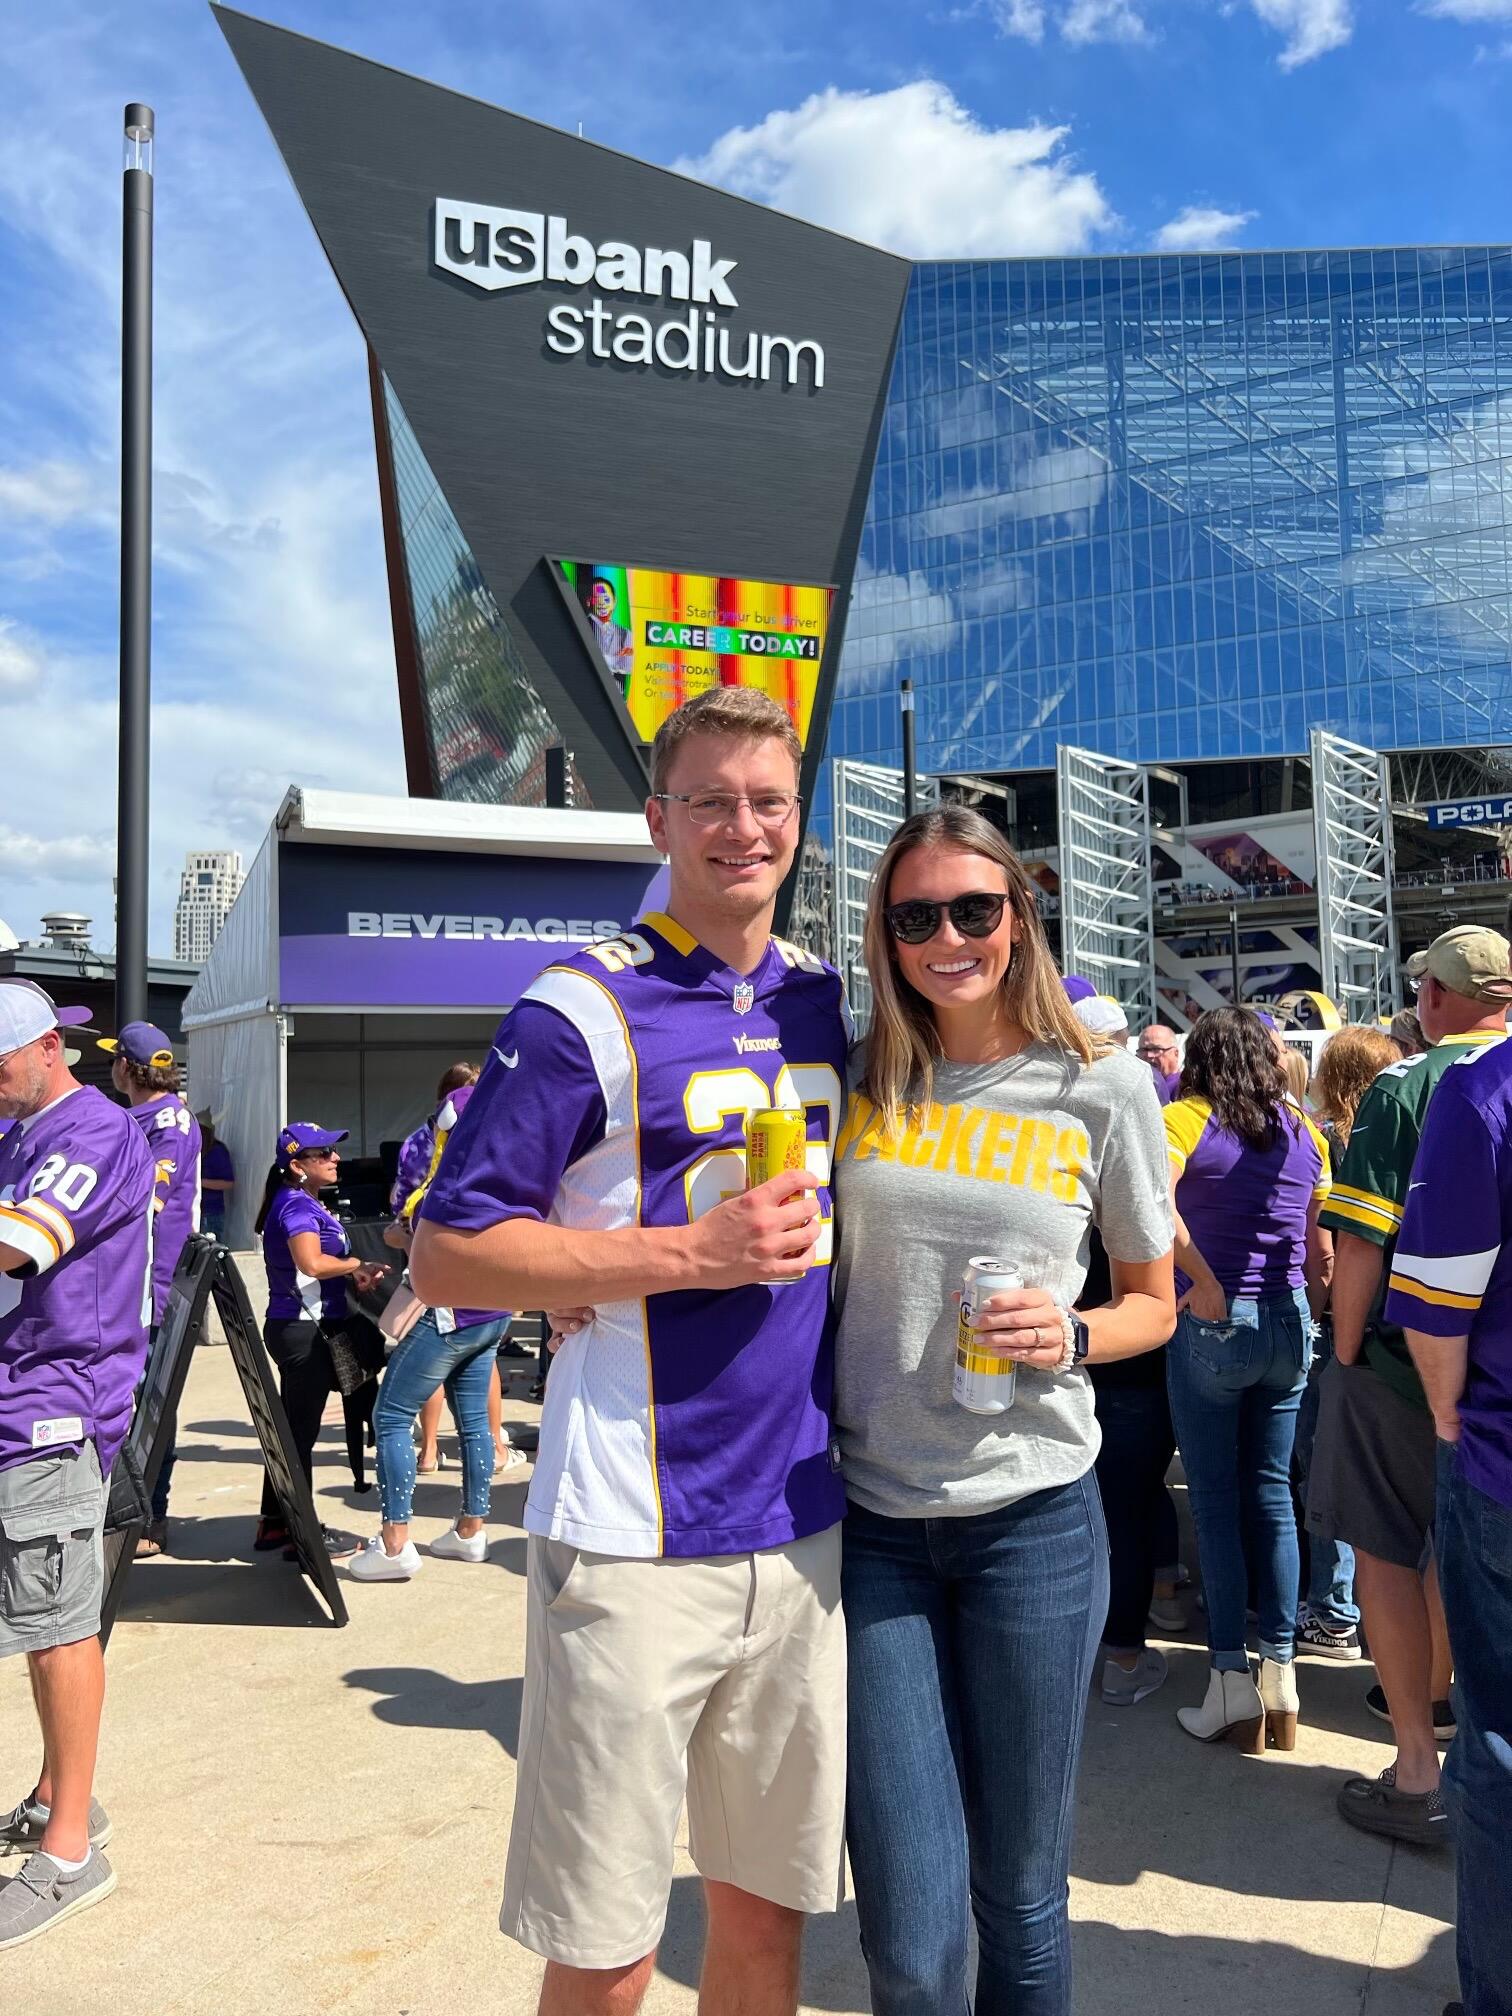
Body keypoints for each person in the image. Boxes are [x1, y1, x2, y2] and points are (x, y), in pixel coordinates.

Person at [411, 687, 849, 2013]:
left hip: (803, 1525)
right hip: (630, 1527)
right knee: (606, 1946)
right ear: (658, 819)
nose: (741, 828)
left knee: (766, 1924)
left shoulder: (826, 1000)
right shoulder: (578, 1008)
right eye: (709, 801)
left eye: (767, 801)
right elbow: (447, 1256)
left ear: (799, 820)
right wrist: (685, 1256)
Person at [830, 805, 1176, 2015]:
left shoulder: (1105, 1086)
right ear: (885, 934)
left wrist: (1073, 1332)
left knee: (1022, 1899)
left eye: (974, 909)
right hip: (874, 1525)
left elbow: (1155, 1303)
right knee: (909, 1931)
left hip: (1035, 1523)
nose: (948, 939)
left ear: (1020, 917)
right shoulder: (857, 1075)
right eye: (915, 917)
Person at [1308, 925, 1510, 1846]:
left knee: (1386, 1551)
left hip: (1408, 1360)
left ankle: (1418, 1767)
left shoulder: (1405, 1084)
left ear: (1433, 996)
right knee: (1455, 1554)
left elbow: (1360, 1242)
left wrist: (1345, 1354)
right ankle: (1449, 1717)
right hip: (1494, 1379)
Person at [0, 980, 157, 1948]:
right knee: (36, 1618)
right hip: (22, 1400)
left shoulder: (92, 1129)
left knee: (58, 1627)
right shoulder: (24, 1128)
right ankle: (61, 1795)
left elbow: (18, 1244)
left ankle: (68, 1855)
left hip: (57, 1409)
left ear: (48, 1049)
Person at [1165, 1007, 1332, 1750]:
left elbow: (1151, 1206)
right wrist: (1308, 1314)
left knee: (1214, 1502)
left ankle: (1229, 1681)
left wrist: (1201, 1279)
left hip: (1214, 1320)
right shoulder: (1304, 1130)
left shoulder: (1184, 1120)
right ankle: (1282, 1677)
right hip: (1288, 1319)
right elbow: (1320, 1246)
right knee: (1272, 1495)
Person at [1386, 1033, 1512, 2016]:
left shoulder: (1485, 1090)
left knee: (1501, 1744)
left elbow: (1436, 1307)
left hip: (1501, 1465)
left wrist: (1443, 1412)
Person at [351, 1082, 521, 1582]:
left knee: (390, 1416)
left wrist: (400, 1234)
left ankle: (394, 1544)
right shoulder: (513, 1178)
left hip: (448, 1315)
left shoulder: (446, 1186)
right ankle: (470, 1531)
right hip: (493, 1313)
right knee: (475, 1424)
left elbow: (419, 1242)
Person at [1294, 1025, 1401, 1659]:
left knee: (1326, 1472)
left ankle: (1334, 1613)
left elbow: (1335, 1252)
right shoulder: (1405, 1131)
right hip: (1399, 1327)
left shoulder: (1335, 1141)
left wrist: (1333, 1333)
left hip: (1345, 1325)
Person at [253, 1124, 388, 1560]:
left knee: (294, 1432)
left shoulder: (302, 1199)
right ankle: (303, 1536)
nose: (336, 1158)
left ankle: (275, 1524)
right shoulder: (295, 1204)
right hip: (302, 1332)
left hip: (305, 1328)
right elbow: (310, 1263)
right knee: (298, 1438)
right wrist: (354, 1263)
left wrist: (352, 1272)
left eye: (333, 1150)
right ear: (297, 1165)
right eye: (324, 1152)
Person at [100, 1022, 202, 1557]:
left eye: (114, 1059)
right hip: (137, 1280)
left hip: (152, 1283)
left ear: (126, 1067)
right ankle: (137, 1512)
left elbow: (148, 1201)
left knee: (150, 1403)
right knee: (138, 1399)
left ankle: (148, 1516)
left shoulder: (168, 1121)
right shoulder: (146, 1116)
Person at [391, 1063, 480, 1475]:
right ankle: (477, 1447)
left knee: (435, 1359)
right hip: (466, 1262)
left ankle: (429, 1450)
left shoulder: (417, 1141)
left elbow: (400, 1201)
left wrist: (407, 1232)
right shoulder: (480, 1137)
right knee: (472, 1360)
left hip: (430, 1255)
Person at [197, 1112, 234, 1237]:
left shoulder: (218, 1151)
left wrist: (199, 1182)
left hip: (210, 1213)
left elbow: (228, 1183)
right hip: (196, 1211)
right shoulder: (194, 1149)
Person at [1136, 1024, 1183, 1104]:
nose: (1149, 1055)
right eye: (1144, 1049)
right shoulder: (1136, 1087)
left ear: (1176, 1054)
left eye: (1156, 1049)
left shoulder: (1183, 1087)